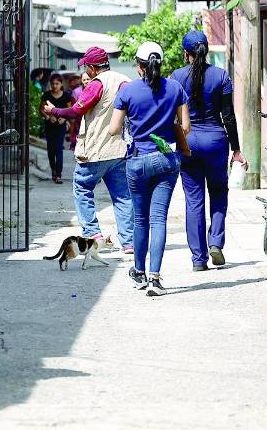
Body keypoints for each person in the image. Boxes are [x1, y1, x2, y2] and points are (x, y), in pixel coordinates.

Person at [109, 42, 190, 297]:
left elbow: (113, 129)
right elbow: (185, 126)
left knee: (140, 219)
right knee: (159, 219)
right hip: (166, 158)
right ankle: (155, 278)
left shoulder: (128, 91)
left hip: (137, 160)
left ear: (139, 65)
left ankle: (139, 272)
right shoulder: (175, 88)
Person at [42, 47, 135, 252]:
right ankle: (129, 242)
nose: (85, 71)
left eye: (86, 66)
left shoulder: (97, 84)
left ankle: (93, 233)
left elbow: (77, 110)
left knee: (82, 188)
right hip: (119, 149)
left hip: (96, 149)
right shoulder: (124, 80)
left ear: (93, 67)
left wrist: (53, 110)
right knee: (122, 196)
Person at [169, 30, 245, 271]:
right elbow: (229, 117)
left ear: (186, 53)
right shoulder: (221, 76)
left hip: (188, 142)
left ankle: (198, 259)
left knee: (194, 200)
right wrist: (236, 149)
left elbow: (171, 115)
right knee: (219, 192)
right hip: (216, 142)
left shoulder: (176, 77)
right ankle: (216, 243)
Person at [42, 74, 72, 183]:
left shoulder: (66, 96)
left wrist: (64, 118)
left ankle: (58, 174)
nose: (55, 86)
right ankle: (53, 170)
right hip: (49, 126)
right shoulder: (46, 95)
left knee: (59, 149)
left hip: (61, 126)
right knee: (51, 150)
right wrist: (48, 117)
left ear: (61, 84)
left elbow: (70, 110)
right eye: (53, 84)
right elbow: (42, 109)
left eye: (57, 84)